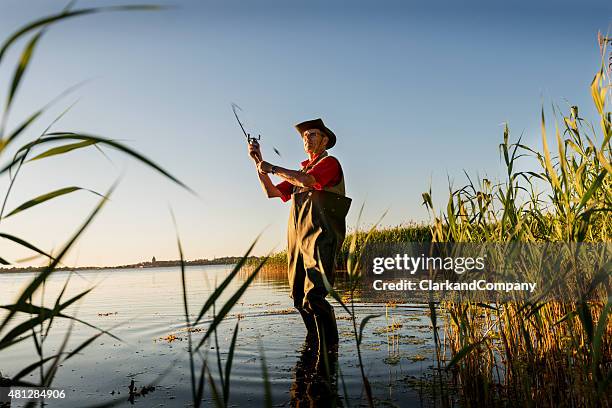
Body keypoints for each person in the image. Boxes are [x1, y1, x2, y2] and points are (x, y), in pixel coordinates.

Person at [247, 118, 351, 353]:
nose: (306, 138)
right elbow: (271, 192)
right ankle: (314, 342)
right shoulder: (300, 171)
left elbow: (307, 181)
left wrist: (273, 168)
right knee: (297, 297)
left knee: (314, 296)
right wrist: (257, 162)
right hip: (297, 240)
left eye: (312, 134)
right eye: (304, 136)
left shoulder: (329, 163)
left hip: (321, 236)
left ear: (325, 140)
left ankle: (330, 348)